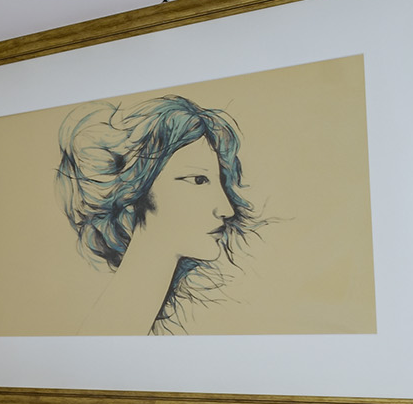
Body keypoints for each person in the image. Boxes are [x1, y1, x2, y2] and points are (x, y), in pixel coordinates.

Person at [53, 94, 259, 333]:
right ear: (133, 190)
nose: (226, 209)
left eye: (219, 182)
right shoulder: (108, 329)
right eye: (198, 180)